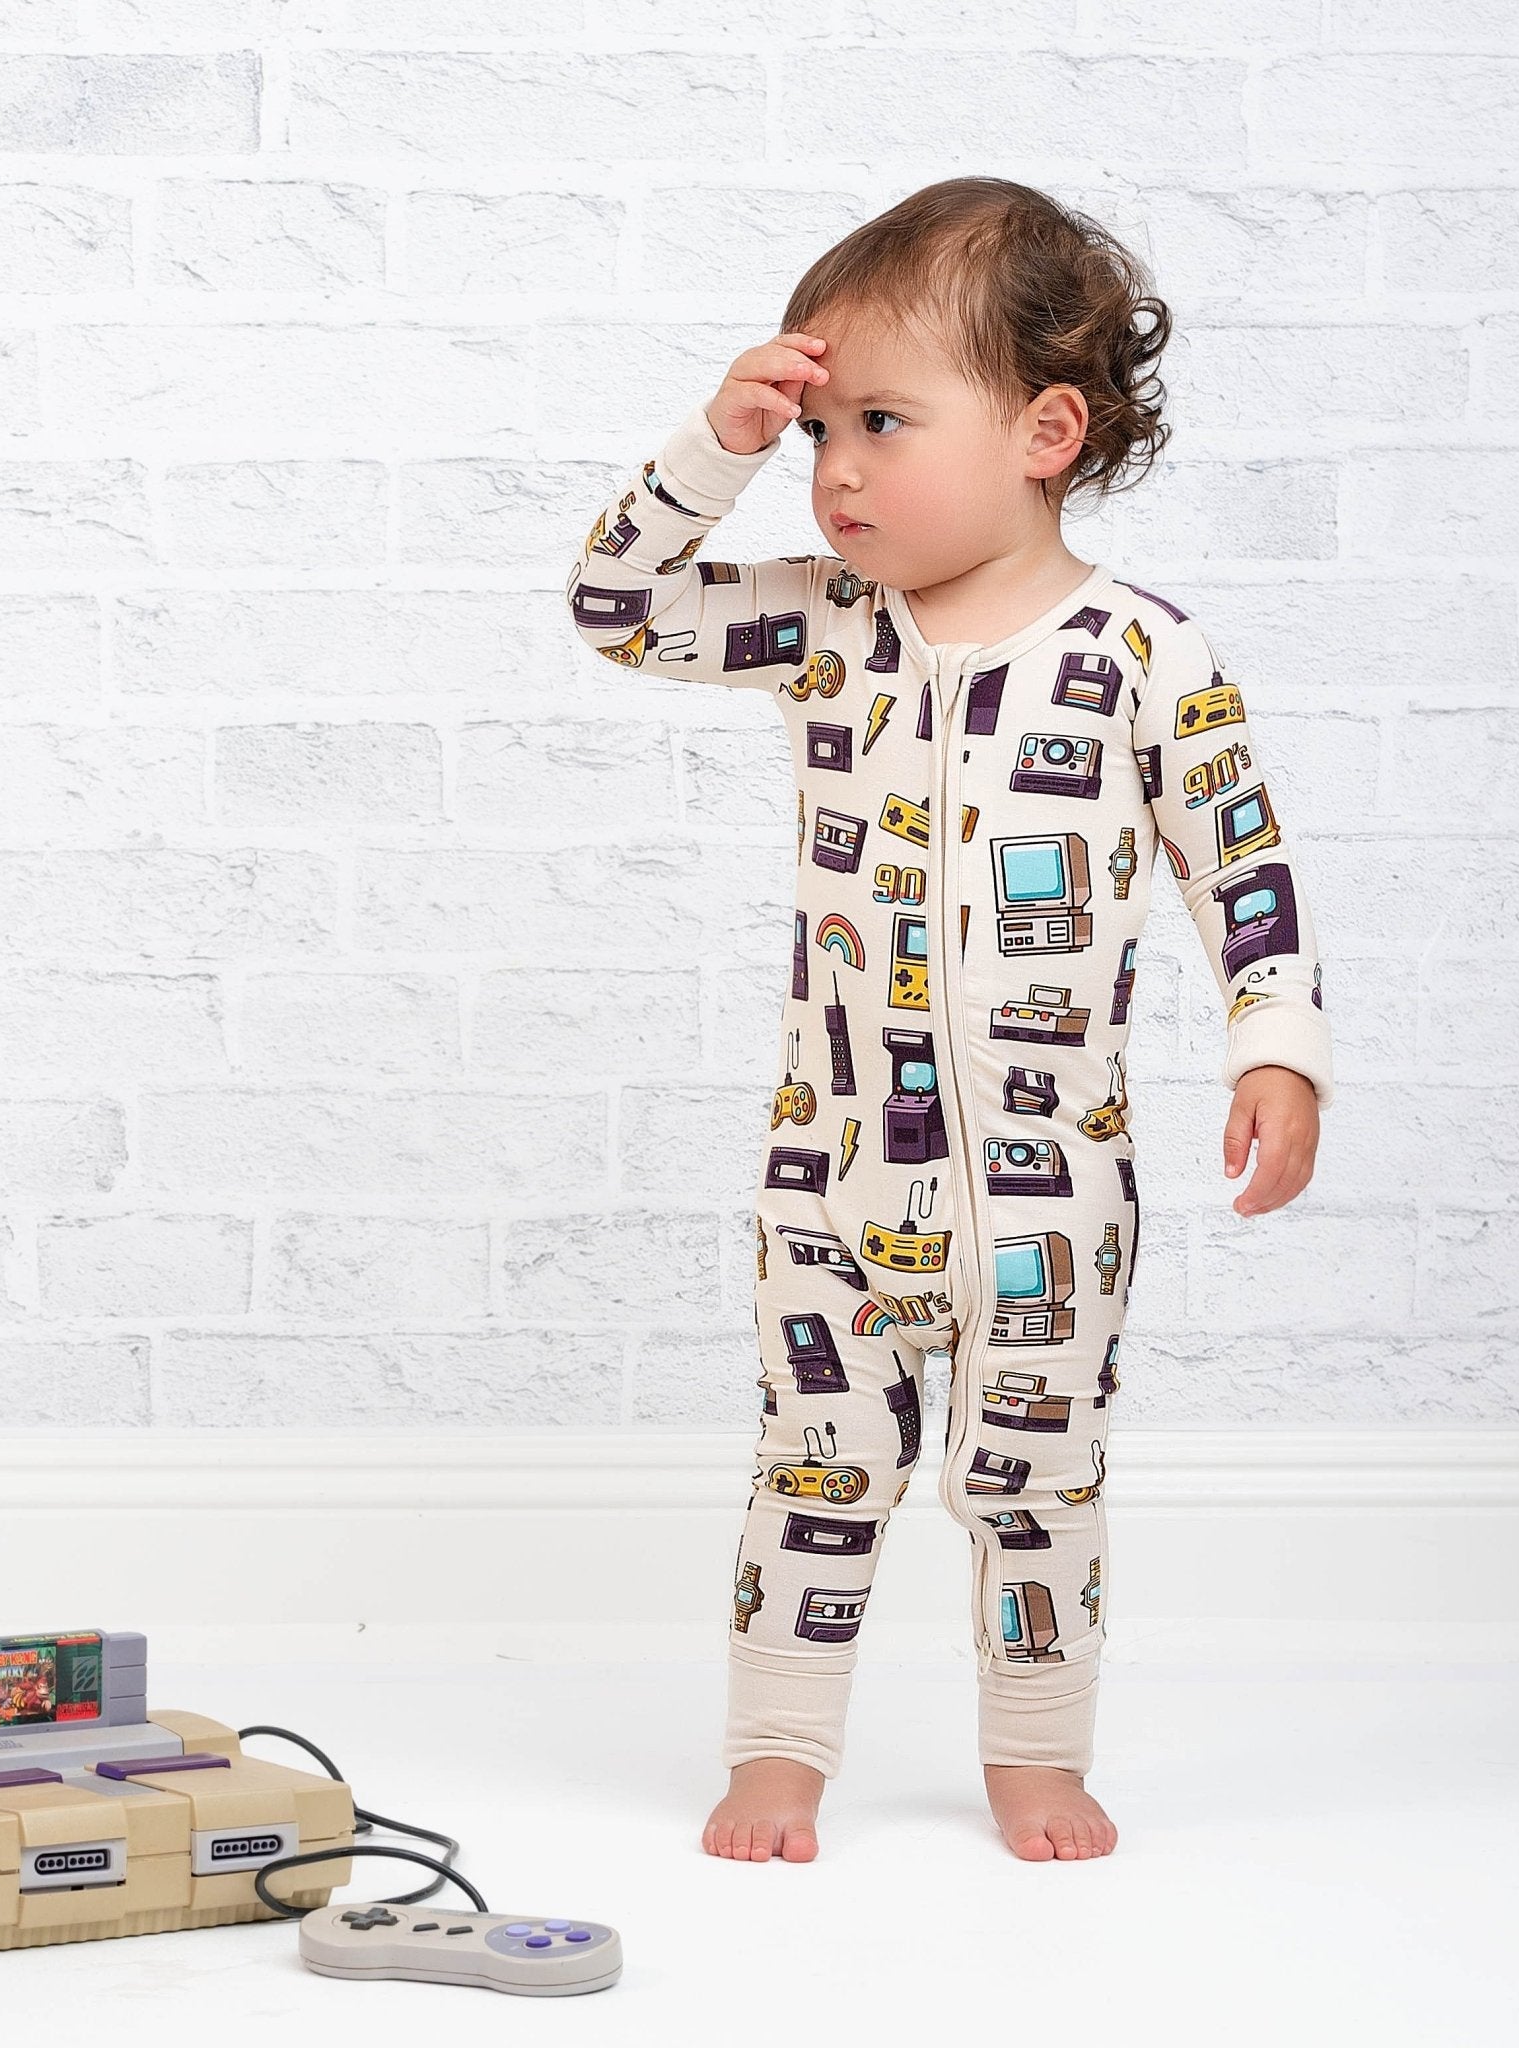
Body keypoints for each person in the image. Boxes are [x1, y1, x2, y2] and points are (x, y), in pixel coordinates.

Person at [564, 177, 1334, 1865]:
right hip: (831, 1172)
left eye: (881, 424)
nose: (832, 470)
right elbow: (619, 610)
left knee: (1037, 1486)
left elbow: (1243, 863)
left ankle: (1036, 1760)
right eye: (816, 430)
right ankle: (779, 1753)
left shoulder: (1144, 655)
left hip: (1055, 1194)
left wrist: (1277, 1044)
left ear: (1046, 431)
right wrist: (712, 447)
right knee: (814, 1467)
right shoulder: (824, 625)